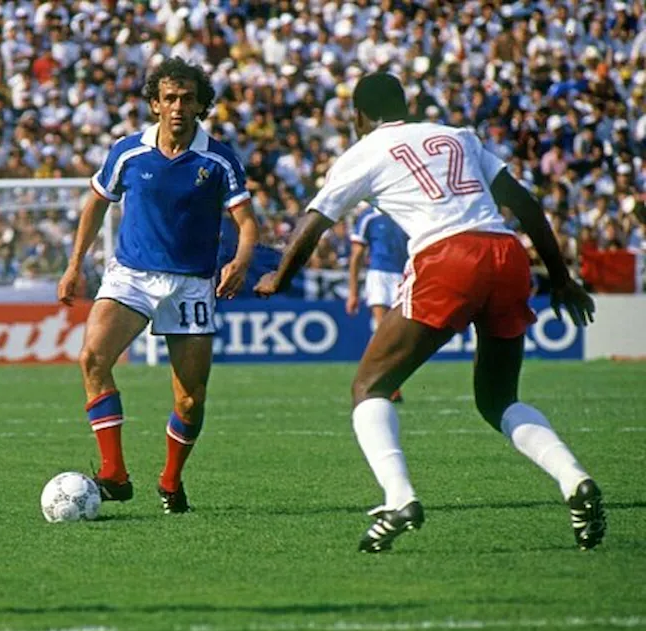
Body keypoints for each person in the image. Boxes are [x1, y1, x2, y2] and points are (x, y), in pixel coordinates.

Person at [255, 73, 604, 552]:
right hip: (506, 253)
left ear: (358, 115)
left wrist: (279, 278)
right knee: (498, 398)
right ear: (405, 106)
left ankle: (399, 498)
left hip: (448, 256)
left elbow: (313, 224)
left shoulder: (364, 151)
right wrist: (561, 278)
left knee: (369, 386)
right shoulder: (458, 135)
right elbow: (523, 203)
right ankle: (574, 479)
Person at [57, 57, 258, 514]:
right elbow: (96, 204)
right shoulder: (128, 152)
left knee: (189, 401)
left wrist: (241, 261)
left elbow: (247, 223)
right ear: (155, 104)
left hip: (190, 285)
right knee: (92, 358)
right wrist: (74, 266)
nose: (178, 107)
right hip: (131, 275)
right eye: (169, 98)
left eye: (187, 99)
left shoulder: (218, 159)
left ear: (201, 105)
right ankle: (114, 475)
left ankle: (170, 480)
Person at [346, 206, 409, 401]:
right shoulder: (368, 217)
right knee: (382, 329)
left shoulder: (405, 211)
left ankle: (387, 381)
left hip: (404, 274)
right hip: (379, 275)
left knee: (400, 332)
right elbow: (357, 255)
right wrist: (353, 292)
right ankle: (385, 384)